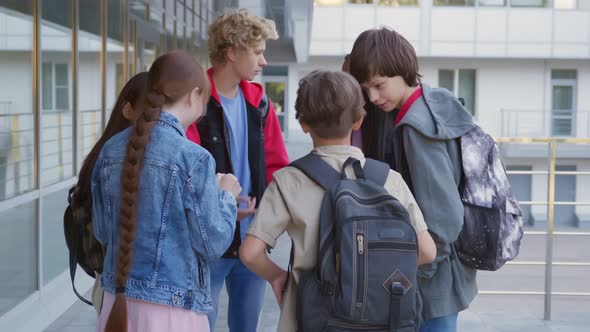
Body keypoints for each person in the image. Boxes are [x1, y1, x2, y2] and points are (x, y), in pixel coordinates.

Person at [239, 69, 436, 331]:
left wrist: (278, 277)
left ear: (304, 123)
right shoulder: (390, 180)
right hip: (381, 321)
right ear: (358, 120)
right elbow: (426, 251)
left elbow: (250, 253)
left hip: (310, 319)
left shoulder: (289, 181)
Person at [92, 51, 241, 332]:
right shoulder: (193, 158)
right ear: (194, 95)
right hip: (173, 310)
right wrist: (226, 197)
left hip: (116, 306)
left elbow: (102, 232)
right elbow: (213, 243)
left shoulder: (110, 150)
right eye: (205, 101)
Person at [349, 27, 478, 331]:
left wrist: (412, 274)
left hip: (433, 284)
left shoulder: (415, 127)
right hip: (444, 277)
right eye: (366, 88)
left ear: (403, 71)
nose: (372, 97)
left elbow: (444, 221)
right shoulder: (433, 102)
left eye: (379, 85)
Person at [185, 9, 289, 332]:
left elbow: (278, 167)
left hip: (251, 243)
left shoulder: (261, 104)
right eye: (257, 52)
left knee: (247, 327)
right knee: (201, 326)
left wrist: (269, 218)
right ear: (231, 52)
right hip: (208, 245)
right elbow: (185, 174)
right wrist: (223, 206)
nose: (263, 62)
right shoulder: (193, 101)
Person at [71, 72, 148, 314]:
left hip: (111, 284)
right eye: (152, 108)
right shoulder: (112, 160)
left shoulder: (104, 154)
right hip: (118, 286)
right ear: (127, 110)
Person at [342, 54, 396, 167]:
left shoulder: (383, 107)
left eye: (352, 78)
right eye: (344, 77)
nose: (346, 84)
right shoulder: (343, 108)